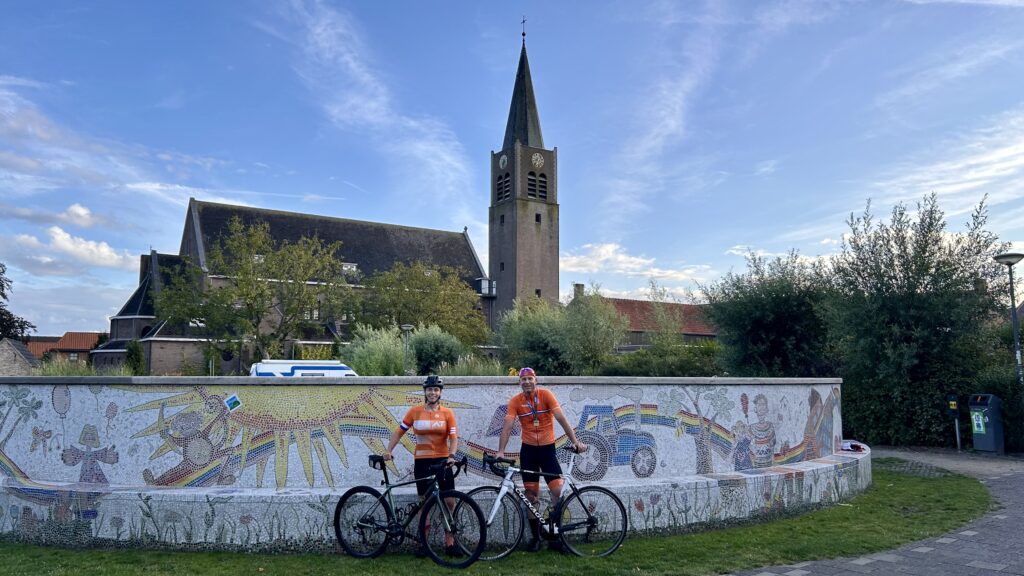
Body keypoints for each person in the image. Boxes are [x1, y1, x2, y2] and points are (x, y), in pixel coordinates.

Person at [495, 367, 587, 552]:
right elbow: (507, 426)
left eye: (530, 378)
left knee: (558, 491)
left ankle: (555, 535)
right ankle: (536, 538)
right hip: (528, 451)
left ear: (535, 380)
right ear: (519, 382)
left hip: (547, 450)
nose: (527, 382)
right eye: (524, 379)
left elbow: (561, 418)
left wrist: (575, 441)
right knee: (531, 496)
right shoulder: (515, 402)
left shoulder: (546, 395)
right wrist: (501, 451)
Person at [384, 375, 461, 557]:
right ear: (425, 392)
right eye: (429, 389)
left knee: (449, 501)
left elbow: (453, 437)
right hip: (422, 461)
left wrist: (452, 455)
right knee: (424, 502)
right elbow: (399, 431)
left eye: (436, 389)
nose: (432, 392)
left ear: (440, 392)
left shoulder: (447, 413)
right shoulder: (415, 411)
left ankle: (450, 542)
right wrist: (388, 450)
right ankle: (423, 544)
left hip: (443, 461)